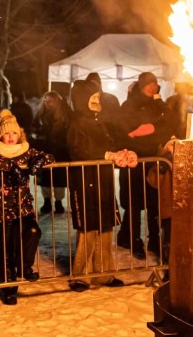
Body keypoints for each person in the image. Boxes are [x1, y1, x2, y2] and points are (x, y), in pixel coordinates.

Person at [67, 79, 137, 291]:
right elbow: (78, 150)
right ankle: (81, 276)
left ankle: (103, 273)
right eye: (93, 98)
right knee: (88, 228)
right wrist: (105, 155)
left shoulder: (98, 121)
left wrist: (120, 152)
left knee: (105, 226)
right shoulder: (76, 124)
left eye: (98, 97)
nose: (97, 101)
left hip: (102, 180)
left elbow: (109, 144)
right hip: (85, 181)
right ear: (82, 100)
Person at [0, 110, 52, 305]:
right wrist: (12, 168)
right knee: (6, 249)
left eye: (14, 133)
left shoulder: (25, 150)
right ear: (0, 135)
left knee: (33, 232)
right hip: (2, 207)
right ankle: (9, 288)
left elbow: (49, 156)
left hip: (23, 206)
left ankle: (24, 267)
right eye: (6, 133)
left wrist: (39, 161)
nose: (11, 137)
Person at [117, 72, 170, 259]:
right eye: (148, 84)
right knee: (134, 203)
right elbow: (125, 131)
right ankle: (134, 239)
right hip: (134, 160)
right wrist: (144, 132)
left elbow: (168, 124)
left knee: (153, 202)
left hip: (152, 160)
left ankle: (154, 239)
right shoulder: (129, 105)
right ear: (141, 85)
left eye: (154, 83)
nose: (152, 87)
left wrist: (150, 128)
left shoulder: (157, 105)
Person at [31, 91, 71, 215]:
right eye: (46, 101)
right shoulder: (40, 115)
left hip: (59, 152)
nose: (47, 103)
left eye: (50, 101)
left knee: (58, 180)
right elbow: (34, 130)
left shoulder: (64, 116)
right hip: (44, 151)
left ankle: (58, 201)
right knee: (45, 179)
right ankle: (47, 201)